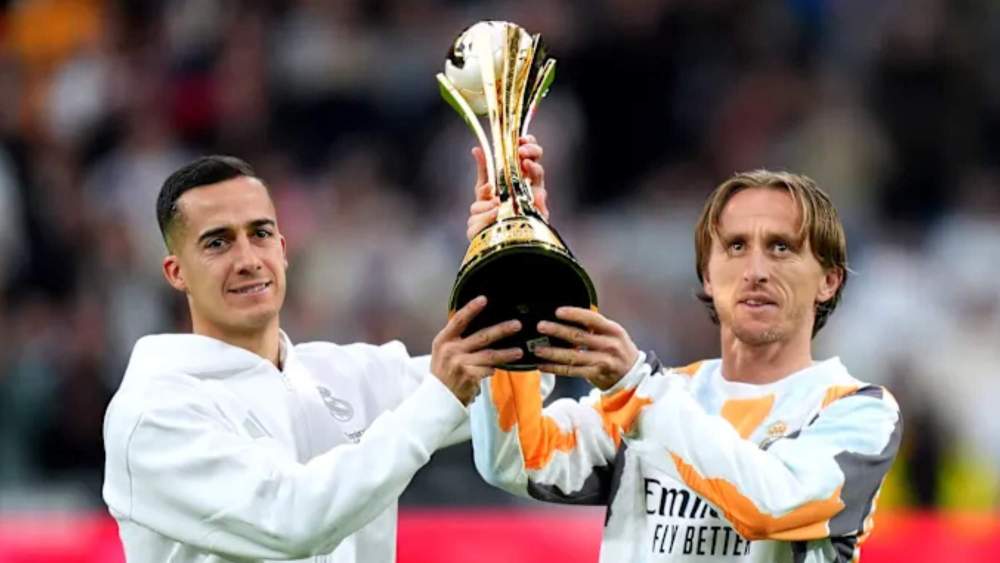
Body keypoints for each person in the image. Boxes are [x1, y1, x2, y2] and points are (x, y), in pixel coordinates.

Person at [102, 143, 542, 562]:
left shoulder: (346, 373)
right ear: (176, 273)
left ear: (284, 249)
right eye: (218, 242)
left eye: (260, 233)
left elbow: (517, 364)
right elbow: (290, 520)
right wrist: (440, 397)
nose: (248, 258)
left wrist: (519, 247)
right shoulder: (153, 413)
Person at [467, 169, 902, 562]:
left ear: (829, 280)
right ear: (708, 277)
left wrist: (637, 387)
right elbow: (518, 460)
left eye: (781, 248)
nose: (755, 270)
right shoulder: (657, 393)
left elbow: (769, 505)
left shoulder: (858, 411)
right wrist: (512, 270)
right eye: (735, 246)